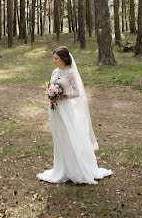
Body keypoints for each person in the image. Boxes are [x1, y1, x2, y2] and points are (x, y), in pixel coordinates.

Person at [37, 46, 112, 185]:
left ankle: (76, 169)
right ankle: (62, 168)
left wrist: (63, 95)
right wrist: (50, 93)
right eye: (53, 58)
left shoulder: (71, 73)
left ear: (63, 59)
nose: (54, 61)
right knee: (59, 137)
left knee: (70, 136)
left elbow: (77, 93)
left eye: (56, 59)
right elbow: (51, 86)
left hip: (66, 108)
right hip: (54, 109)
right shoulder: (55, 72)